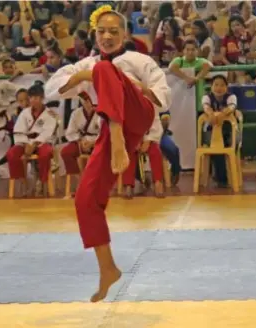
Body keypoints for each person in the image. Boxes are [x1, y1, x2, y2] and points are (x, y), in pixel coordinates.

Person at [45, 6, 171, 302]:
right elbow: (53, 88)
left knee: (104, 68)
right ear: (94, 34)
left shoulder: (139, 60)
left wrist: (135, 86)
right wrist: (82, 77)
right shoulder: (86, 63)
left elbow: (162, 97)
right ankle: (107, 267)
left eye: (114, 31)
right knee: (85, 199)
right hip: (110, 134)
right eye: (102, 31)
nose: (107, 36)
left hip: (137, 119)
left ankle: (115, 132)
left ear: (125, 34)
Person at [7, 83, 57, 190]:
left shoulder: (49, 113)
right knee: (12, 154)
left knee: (46, 153)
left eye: (36, 98)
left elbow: (48, 133)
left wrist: (34, 144)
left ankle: (42, 181)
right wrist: (25, 144)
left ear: (42, 98)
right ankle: (22, 180)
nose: (33, 100)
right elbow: (19, 130)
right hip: (25, 142)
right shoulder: (25, 113)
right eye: (31, 98)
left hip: (41, 143)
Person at [61, 91, 101, 196]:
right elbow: (70, 133)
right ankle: (80, 181)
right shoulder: (76, 113)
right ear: (81, 101)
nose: (88, 103)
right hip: (81, 141)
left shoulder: (101, 113)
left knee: (103, 153)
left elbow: (106, 132)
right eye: (86, 101)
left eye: (90, 100)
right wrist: (80, 141)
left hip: (97, 141)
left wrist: (93, 143)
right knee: (66, 152)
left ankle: (97, 185)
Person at [201, 75, 238, 187]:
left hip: (229, 133)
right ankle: (221, 178)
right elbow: (206, 107)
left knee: (227, 144)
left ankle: (223, 176)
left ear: (226, 87)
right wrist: (211, 114)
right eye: (216, 85)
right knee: (215, 144)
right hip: (211, 134)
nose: (219, 88)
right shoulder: (206, 97)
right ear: (211, 87)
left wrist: (222, 114)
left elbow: (232, 107)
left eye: (222, 85)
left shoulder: (231, 97)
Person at [121, 111, 164, 199]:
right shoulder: (129, 106)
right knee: (129, 152)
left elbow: (156, 127)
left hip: (149, 140)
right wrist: (134, 140)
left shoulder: (151, 106)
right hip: (133, 140)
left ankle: (158, 183)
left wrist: (148, 140)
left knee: (155, 151)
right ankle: (128, 185)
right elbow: (124, 126)